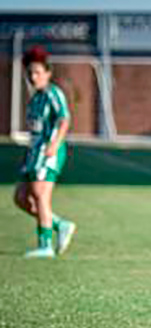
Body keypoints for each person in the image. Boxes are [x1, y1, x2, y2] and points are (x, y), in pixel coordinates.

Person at [13, 46, 76, 259]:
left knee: (40, 195)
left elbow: (64, 119)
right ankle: (59, 224)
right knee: (21, 197)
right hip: (34, 153)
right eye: (30, 72)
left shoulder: (53, 93)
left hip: (49, 151)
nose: (33, 76)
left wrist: (54, 144)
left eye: (38, 72)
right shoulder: (36, 99)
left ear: (48, 73)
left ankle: (45, 245)